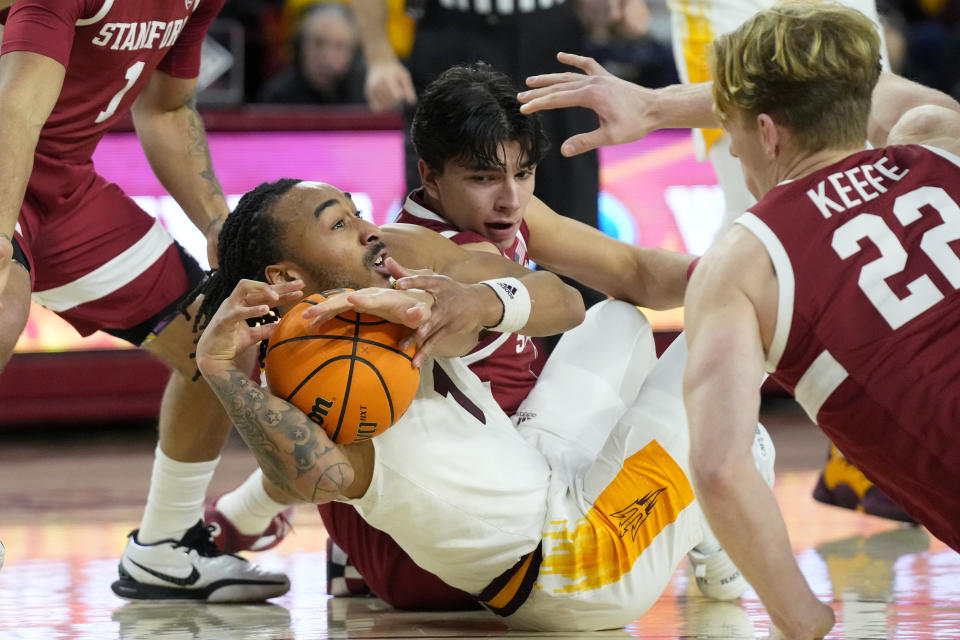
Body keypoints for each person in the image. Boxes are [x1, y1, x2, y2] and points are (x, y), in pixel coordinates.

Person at [522, 2, 960, 635]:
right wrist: (653, 107)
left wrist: (801, 618)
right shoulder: (938, 139)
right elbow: (879, 91)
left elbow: (722, 469)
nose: (729, 145)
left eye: (729, 127)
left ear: (769, 132)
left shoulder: (745, 261)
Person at [189, 177, 777, 631]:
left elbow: (565, 302)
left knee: (615, 321)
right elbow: (322, 476)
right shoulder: (320, 385)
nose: (369, 228)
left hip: (544, 480)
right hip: (581, 563)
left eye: (356, 210)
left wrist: (474, 303)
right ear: (287, 275)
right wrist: (219, 370)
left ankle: (700, 500)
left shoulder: (386, 289)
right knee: (725, 337)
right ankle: (718, 529)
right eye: (340, 224)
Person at [0, 0, 288, 601]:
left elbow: (166, 106)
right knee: (2, 307)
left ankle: (164, 546)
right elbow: (17, 107)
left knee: (227, 333)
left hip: (64, 187)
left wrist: (220, 228)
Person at [351, 0, 611, 308]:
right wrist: (379, 55)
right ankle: (439, 346)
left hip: (552, 37)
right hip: (454, 33)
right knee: (439, 228)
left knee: (576, 226)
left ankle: (573, 347)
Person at [257, 3, 366, 105]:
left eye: (339, 46)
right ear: (300, 47)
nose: (327, 56)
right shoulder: (276, 98)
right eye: (318, 44)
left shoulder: (367, 95)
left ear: (354, 54)